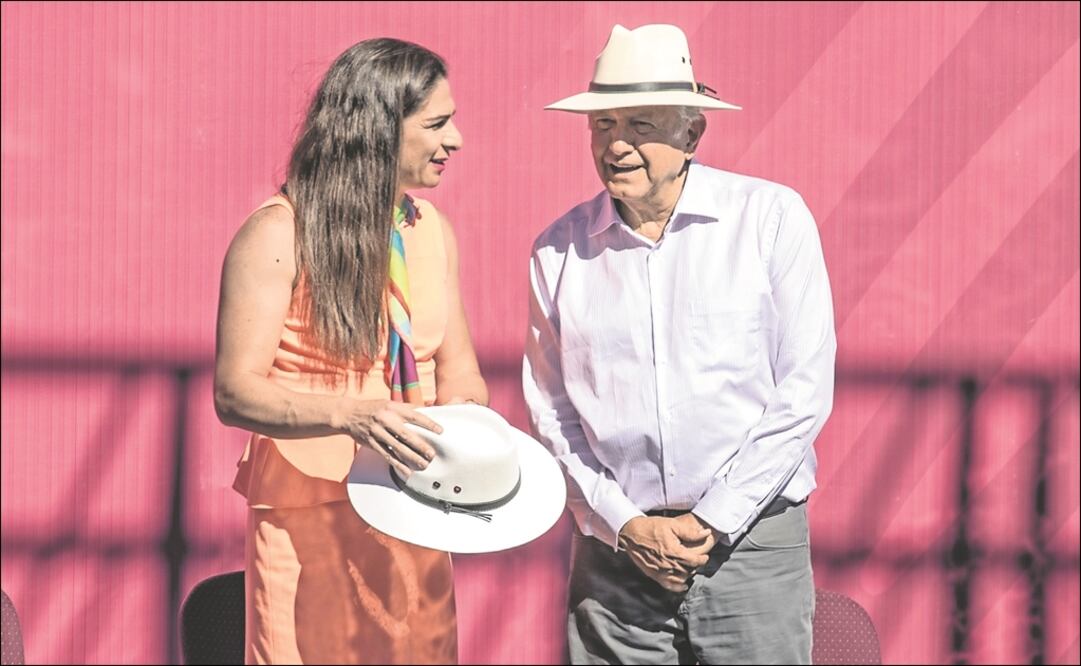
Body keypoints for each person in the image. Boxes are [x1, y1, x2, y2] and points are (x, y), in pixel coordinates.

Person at [523, 24, 836, 664]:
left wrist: (711, 519)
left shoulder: (769, 219)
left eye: (640, 124)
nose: (616, 144)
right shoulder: (559, 249)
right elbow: (551, 407)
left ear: (692, 134)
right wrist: (624, 522)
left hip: (751, 546)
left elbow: (803, 390)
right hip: (615, 557)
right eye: (602, 124)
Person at [214, 38, 487, 665]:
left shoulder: (431, 229)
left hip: (418, 504)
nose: (458, 140)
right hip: (309, 510)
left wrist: (463, 425)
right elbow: (235, 390)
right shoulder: (277, 231)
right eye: (438, 123)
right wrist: (352, 414)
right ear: (378, 130)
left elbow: (460, 370)